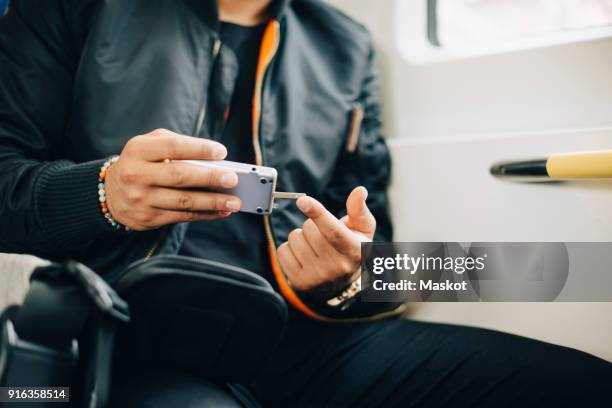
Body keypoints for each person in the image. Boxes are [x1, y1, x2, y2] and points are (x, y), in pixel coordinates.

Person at [0, 0, 610, 406]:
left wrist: (347, 275)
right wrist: (102, 192)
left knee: (579, 385)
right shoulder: (72, 7)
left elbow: (379, 248)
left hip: (307, 339)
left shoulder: (344, 44)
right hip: (134, 338)